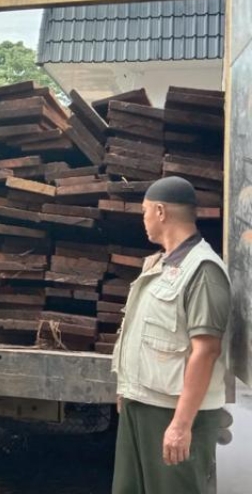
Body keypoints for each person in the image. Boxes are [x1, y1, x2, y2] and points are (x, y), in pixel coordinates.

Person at [111, 176, 230, 494]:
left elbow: (205, 350)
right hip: (143, 404)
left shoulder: (203, 271)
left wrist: (181, 424)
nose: (144, 219)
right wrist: (127, 388)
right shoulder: (160, 265)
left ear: (161, 211)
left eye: (145, 211)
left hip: (170, 413)